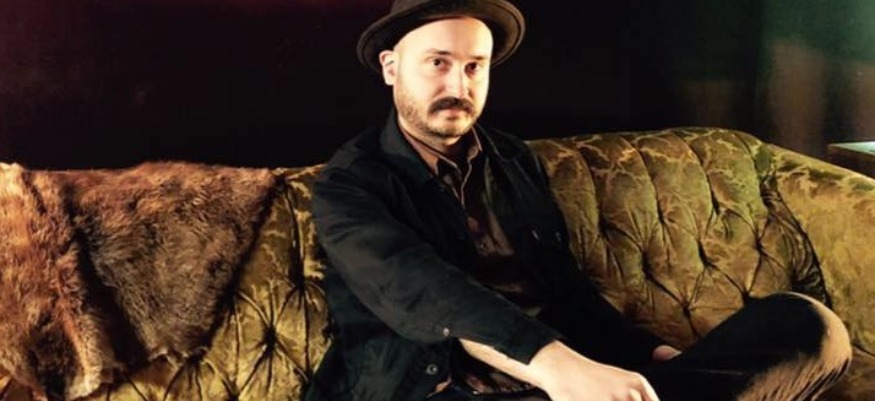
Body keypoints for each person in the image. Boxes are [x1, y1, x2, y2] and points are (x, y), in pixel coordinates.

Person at [306, 1, 852, 400]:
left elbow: (565, 292)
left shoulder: (512, 161)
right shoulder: (349, 185)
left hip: (569, 383)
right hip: (445, 388)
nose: (460, 85)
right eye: (438, 63)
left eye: (475, 66)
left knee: (806, 325)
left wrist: (653, 356)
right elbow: (427, 292)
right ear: (391, 67)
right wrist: (559, 368)